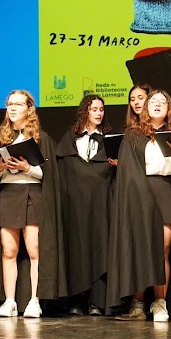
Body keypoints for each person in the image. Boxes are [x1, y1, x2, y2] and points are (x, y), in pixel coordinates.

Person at [106, 89, 171, 322]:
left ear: (169, 108)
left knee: (161, 250)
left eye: (163, 101)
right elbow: (129, 171)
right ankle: (138, 303)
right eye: (153, 101)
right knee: (141, 248)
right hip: (140, 195)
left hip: (165, 191)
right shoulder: (133, 134)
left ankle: (160, 302)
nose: (157, 104)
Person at [0, 89, 64, 318]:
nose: (12, 108)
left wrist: (27, 168)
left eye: (18, 104)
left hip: (32, 193)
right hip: (9, 193)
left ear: (29, 109)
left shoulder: (41, 138)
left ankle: (34, 300)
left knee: (33, 249)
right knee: (9, 250)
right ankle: (10, 300)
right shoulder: (1, 138)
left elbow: (48, 175)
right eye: (10, 104)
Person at [54, 94, 115, 316]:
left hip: (101, 205)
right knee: (77, 249)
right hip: (75, 206)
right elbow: (63, 167)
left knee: (100, 247)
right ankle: (76, 301)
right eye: (94, 109)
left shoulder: (109, 139)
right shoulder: (70, 139)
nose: (99, 113)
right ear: (85, 112)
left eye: (101, 109)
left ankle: (97, 302)